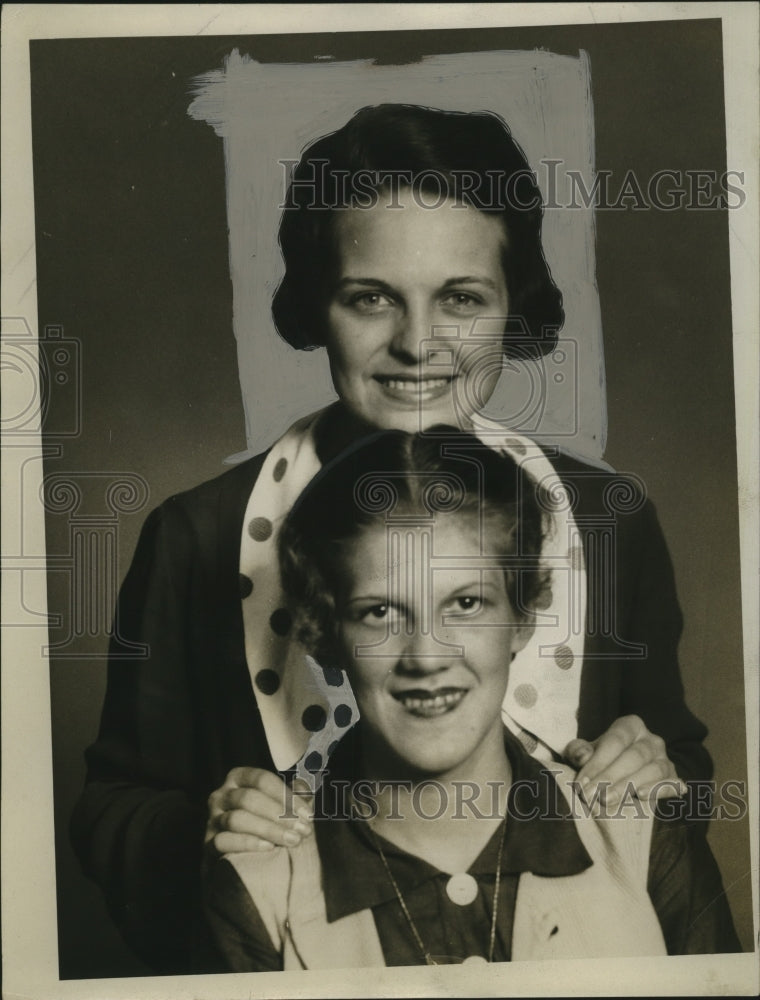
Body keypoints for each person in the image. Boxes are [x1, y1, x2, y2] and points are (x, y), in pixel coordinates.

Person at [71, 103, 712, 973]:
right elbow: (113, 807)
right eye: (370, 298)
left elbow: (680, 782)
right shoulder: (199, 536)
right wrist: (211, 828)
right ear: (317, 303)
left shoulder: (608, 518)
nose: (418, 344)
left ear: (511, 306)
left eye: (461, 298)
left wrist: (654, 768)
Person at [202, 428, 739, 969]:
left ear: (522, 619)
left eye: (465, 603)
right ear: (326, 637)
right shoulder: (257, 885)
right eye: (380, 612)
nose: (427, 656)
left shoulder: (643, 836)